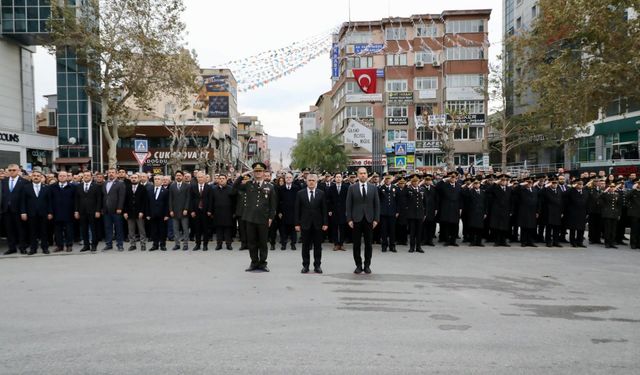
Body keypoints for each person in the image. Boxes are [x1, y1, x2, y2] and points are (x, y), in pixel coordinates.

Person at [233, 162, 277, 272]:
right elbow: (234, 187)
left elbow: (273, 205)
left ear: (263, 172)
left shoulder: (269, 187)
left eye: (260, 171)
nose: (258, 173)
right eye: (256, 171)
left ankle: (262, 263)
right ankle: (254, 262)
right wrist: (243, 175)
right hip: (250, 218)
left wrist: (271, 218)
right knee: (251, 242)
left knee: (262, 242)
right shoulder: (248, 185)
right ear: (253, 172)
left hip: (263, 218)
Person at [345, 167, 380, 274]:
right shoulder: (352, 188)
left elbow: (377, 205)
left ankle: (367, 265)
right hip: (356, 219)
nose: (363, 175)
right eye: (361, 173)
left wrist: (376, 219)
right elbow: (348, 204)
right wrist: (349, 219)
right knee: (356, 244)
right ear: (357, 175)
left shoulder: (373, 188)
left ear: (367, 175)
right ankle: (358, 265)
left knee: (369, 244)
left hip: (369, 219)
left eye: (364, 173)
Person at [294, 174, 328, 274]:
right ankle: (305, 266)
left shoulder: (321, 193)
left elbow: (324, 209)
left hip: (318, 224)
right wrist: (297, 223)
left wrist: (325, 223)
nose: (311, 182)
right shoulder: (300, 193)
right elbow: (297, 210)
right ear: (306, 181)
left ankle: (317, 265)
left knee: (318, 246)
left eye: (313, 180)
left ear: (316, 181)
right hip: (305, 224)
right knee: (305, 246)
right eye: (309, 180)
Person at [21, 170, 53, 255]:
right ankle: (33, 249)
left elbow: (49, 201)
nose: (36, 177)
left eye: (38, 176)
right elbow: (23, 201)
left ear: (41, 177)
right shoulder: (26, 187)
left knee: (44, 231)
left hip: (44, 213)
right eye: (34, 175)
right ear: (31, 177)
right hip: (31, 213)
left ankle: (45, 248)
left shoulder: (46, 187)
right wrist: (23, 212)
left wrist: (50, 212)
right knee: (32, 232)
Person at [1, 164, 29, 255]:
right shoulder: (3, 181)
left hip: (19, 210)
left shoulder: (24, 182)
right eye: (10, 170)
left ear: (18, 171)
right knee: (9, 230)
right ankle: (11, 248)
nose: (12, 172)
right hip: (6, 210)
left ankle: (22, 247)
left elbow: (25, 198)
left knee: (21, 229)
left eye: (14, 170)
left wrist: (24, 211)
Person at [74, 171, 103, 252]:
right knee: (84, 229)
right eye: (85, 175)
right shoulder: (79, 186)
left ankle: (94, 245)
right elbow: (76, 199)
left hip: (93, 211)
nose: (86, 177)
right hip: (82, 211)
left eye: (88, 175)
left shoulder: (96, 186)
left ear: (91, 177)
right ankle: (86, 245)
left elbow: (99, 200)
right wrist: (76, 211)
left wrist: (98, 211)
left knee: (94, 229)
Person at [436, 172, 463, 247]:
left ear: (456, 179)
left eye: (454, 177)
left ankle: (453, 241)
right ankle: (447, 241)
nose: (453, 179)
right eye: (451, 177)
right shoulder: (445, 185)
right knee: (447, 225)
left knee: (455, 225)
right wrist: (444, 179)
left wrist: (460, 208)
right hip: (446, 208)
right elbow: (437, 187)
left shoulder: (458, 186)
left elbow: (461, 198)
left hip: (455, 208)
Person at [51, 171, 76, 252]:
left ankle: (69, 245)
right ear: (58, 177)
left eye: (64, 176)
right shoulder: (52, 187)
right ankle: (59, 246)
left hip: (68, 212)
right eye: (60, 176)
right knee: (57, 231)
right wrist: (50, 212)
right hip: (56, 212)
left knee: (69, 230)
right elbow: (49, 200)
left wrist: (75, 211)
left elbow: (76, 200)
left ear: (67, 177)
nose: (62, 177)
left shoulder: (72, 187)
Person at [102, 168, 126, 251]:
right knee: (107, 227)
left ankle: (120, 245)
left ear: (116, 174)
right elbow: (104, 196)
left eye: (112, 172)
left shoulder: (120, 184)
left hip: (116, 210)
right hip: (106, 210)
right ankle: (109, 244)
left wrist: (119, 208)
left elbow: (121, 197)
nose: (111, 174)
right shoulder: (104, 183)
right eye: (109, 173)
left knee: (118, 228)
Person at [123, 173, 148, 251]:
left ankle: (143, 244)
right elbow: (124, 201)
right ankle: (132, 244)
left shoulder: (143, 188)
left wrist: (142, 211)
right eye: (132, 177)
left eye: (135, 177)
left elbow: (145, 201)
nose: (133, 179)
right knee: (131, 230)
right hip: (129, 212)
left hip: (139, 212)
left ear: (139, 179)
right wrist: (125, 212)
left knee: (141, 229)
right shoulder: (127, 188)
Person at [210, 174, 235, 250]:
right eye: (220, 178)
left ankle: (228, 244)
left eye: (223, 178)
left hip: (228, 213)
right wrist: (211, 211)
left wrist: (234, 212)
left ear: (226, 179)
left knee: (228, 230)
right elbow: (211, 201)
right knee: (219, 230)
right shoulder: (214, 189)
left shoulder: (230, 189)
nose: (221, 180)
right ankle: (219, 244)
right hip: (217, 213)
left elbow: (234, 202)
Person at [168, 170, 191, 251]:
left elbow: (188, 198)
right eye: (177, 175)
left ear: (182, 176)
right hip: (174, 211)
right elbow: (170, 199)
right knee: (175, 229)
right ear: (175, 177)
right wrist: (170, 210)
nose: (178, 177)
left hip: (184, 211)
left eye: (180, 175)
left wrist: (186, 209)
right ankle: (177, 244)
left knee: (185, 229)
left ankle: (185, 244)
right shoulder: (172, 186)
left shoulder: (187, 186)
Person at [190, 171, 213, 251]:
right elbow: (191, 199)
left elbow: (210, 200)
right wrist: (192, 211)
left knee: (205, 229)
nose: (200, 179)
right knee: (197, 229)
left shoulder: (209, 187)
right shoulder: (193, 187)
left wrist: (210, 210)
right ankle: (198, 244)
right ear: (197, 178)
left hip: (205, 211)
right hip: (196, 211)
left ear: (204, 178)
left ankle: (205, 245)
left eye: (201, 177)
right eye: (198, 177)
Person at [327, 172, 349, 251]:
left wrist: (347, 210)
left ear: (342, 178)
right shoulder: (331, 188)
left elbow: (348, 200)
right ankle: (336, 244)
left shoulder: (346, 187)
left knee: (343, 227)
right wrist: (329, 210)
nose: (338, 178)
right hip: (334, 211)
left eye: (340, 177)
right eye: (337, 177)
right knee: (335, 228)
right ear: (334, 178)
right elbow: (328, 200)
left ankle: (342, 244)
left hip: (343, 211)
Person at [147, 175, 170, 251]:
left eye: (158, 179)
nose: (156, 180)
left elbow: (167, 204)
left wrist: (167, 214)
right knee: (154, 230)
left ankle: (163, 245)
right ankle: (155, 245)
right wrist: (148, 214)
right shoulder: (149, 190)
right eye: (155, 179)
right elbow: (147, 203)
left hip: (162, 215)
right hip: (152, 214)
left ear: (162, 181)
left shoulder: (166, 191)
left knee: (162, 230)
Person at [277, 173, 299, 250]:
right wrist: (279, 212)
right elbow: (278, 201)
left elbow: (298, 201)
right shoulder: (280, 188)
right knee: (283, 229)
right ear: (285, 179)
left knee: (293, 229)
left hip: (294, 212)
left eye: (290, 177)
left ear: (292, 179)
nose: (288, 179)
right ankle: (283, 244)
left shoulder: (296, 188)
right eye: (287, 177)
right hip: (283, 212)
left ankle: (293, 244)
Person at [378, 174, 399, 253]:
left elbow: (397, 201)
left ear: (391, 180)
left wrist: (397, 211)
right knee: (384, 231)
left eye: (389, 179)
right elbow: (378, 199)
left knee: (392, 231)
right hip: (383, 213)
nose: (387, 180)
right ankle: (384, 246)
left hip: (392, 213)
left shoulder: (395, 188)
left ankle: (392, 246)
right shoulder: (381, 188)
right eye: (386, 179)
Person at [515, 177, 538, 247]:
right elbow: (515, 190)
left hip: (532, 211)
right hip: (524, 211)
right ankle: (523, 241)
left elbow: (537, 201)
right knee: (524, 227)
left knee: (531, 227)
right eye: (528, 182)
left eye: (530, 182)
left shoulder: (534, 189)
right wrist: (522, 184)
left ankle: (530, 241)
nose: (529, 184)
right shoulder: (522, 189)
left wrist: (537, 211)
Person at [564, 180, 588, 248]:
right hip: (573, 213)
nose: (580, 186)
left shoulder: (585, 192)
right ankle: (573, 242)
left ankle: (580, 242)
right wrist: (572, 187)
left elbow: (587, 202)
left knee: (581, 229)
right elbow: (564, 194)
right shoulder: (572, 191)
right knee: (573, 228)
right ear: (576, 185)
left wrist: (587, 212)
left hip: (582, 213)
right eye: (579, 184)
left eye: (581, 184)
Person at [405, 175, 426, 253]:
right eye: (413, 182)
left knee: (419, 232)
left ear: (418, 182)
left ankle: (418, 247)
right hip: (411, 214)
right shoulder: (408, 190)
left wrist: (425, 213)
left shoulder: (422, 189)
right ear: (411, 182)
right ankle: (412, 247)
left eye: (416, 181)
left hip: (420, 214)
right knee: (412, 232)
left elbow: (425, 202)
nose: (415, 183)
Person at [465, 178, 487, 246]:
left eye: (478, 183)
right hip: (473, 212)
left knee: (480, 228)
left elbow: (485, 203)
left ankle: (479, 242)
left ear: (479, 184)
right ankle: (472, 242)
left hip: (481, 212)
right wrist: (469, 186)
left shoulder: (483, 192)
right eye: (475, 183)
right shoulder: (470, 191)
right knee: (472, 228)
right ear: (473, 184)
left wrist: (485, 212)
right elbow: (466, 197)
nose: (476, 185)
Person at [599, 183, 622, 248]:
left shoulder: (617, 194)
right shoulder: (606, 194)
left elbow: (619, 205)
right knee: (607, 229)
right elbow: (599, 197)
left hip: (615, 214)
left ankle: (612, 243)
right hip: (607, 214)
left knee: (613, 230)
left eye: (613, 187)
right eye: (611, 187)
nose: (612, 188)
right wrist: (605, 191)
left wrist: (619, 214)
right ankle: (607, 243)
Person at [542, 178, 564, 247]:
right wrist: (546, 186)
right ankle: (548, 241)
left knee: (556, 228)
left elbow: (561, 202)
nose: (554, 185)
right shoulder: (547, 190)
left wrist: (562, 212)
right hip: (549, 212)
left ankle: (556, 242)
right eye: (553, 183)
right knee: (549, 228)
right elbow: (541, 193)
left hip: (557, 212)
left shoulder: (559, 190)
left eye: (556, 183)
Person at [626, 180, 640, 249]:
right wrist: (633, 189)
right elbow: (626, 196)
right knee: (634, 229)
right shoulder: (633, 191)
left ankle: (638, 243)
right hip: (634, 213)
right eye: (639, 184)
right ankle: (633, 243)